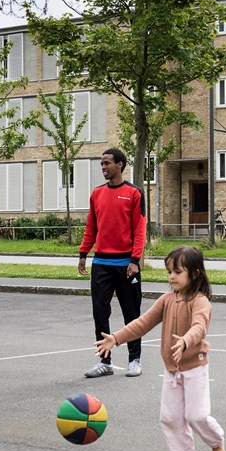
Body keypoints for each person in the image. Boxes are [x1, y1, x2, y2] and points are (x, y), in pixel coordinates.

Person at [95, 246, 225, 451]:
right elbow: (142, 323)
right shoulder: (166, 300)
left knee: (197, 416)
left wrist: (185, 341)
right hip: (172, 370)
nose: (171, 276)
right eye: (169, 271)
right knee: (169, 418)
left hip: (194, 366)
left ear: (194, 273)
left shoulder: (200, 301)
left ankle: (216, 442)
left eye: (177, 271)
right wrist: (116, 338)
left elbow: (199, 327)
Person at [79, 148, 147, 378]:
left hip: (126, 264)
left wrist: (135, 260)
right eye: (102, 164)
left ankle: (134, 359)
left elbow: (140, 229)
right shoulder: (97, 194)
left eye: (107, 163)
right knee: (100, 313)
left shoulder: (134, 193)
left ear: (120, 164)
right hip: (101, 263)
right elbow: (91, 227)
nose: (103, 167)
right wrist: (83, 253)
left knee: (132, 313)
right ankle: (104, 362)